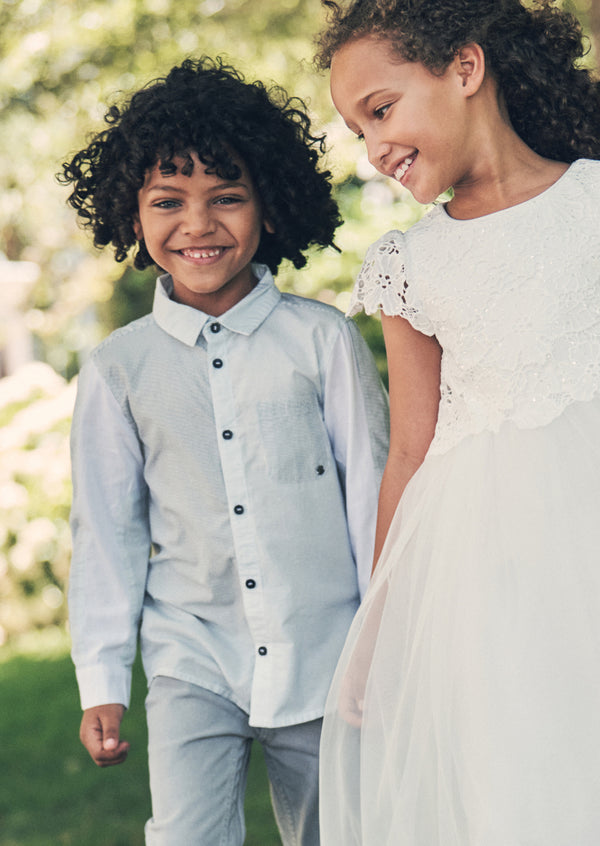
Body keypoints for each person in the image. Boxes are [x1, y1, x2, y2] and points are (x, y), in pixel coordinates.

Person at [60, 57, 389, 846]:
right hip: (191, 661)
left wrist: (386, 641)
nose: (198, 225)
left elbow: (373, 496)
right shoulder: (118, 369)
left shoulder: (322, 342)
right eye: (168, 201)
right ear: (131, 214)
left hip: (324, 660)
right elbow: (105, 532)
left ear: (269, 205)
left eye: (227, 198)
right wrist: (102, 682)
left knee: (339, 833)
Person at [312, 1, 600, 843]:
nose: (373, 148)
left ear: (465, 70)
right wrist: (377, 629)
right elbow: (409, 449)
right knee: (514, 784)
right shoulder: (409, 265)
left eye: (381, 109)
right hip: (483, 579)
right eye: (357, 129)